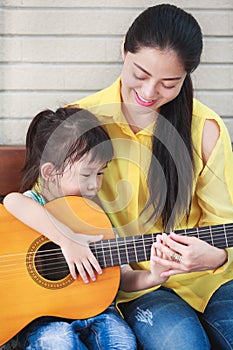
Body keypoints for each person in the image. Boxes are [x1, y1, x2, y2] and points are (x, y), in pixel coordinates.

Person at [4, 3, 233, 350]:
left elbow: (223, 226)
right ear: (124, 47)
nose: (149, 92)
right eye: (141, 73)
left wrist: (214, 256)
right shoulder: (81, 125)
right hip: (138, 285)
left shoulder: (207, 130)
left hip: (214, 282)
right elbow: (35, 213)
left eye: (169, 83)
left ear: (187, 77)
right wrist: (68, 242)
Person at [3, 107, 137, 350]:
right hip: (43, 317)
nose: (95, 185)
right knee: (58, 342)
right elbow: (13, 201)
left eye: (100, 173)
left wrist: (156, 274)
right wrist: (68, 240)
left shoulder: (93, 216)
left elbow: (126, 277)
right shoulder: (33, 204)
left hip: (98, 313)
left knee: (123, 342)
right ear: (50, 173)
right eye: (87, 174)